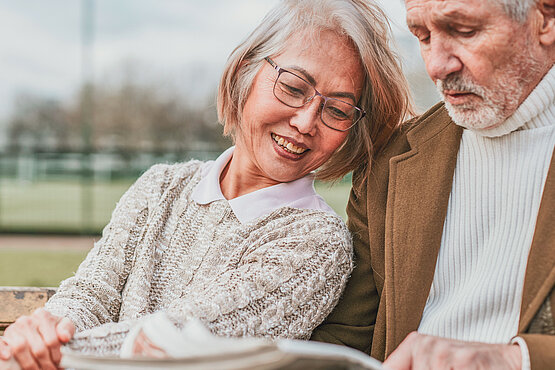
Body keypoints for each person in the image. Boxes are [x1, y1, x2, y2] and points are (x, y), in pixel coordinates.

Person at [0, 0, 413, 369]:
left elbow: (179, 346)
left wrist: (51, 351)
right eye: (292, 88)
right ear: (247, 71)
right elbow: (93, 293)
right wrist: (46, 329)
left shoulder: (318, 242)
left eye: (337, 111)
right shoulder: (160, 185)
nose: (306, 122)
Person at [311, 0, 555, 368]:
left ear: (546, 19)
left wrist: (516, 360)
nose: (436, 66)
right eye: (422, 36)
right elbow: (341, 343)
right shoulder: (387, 163)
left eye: (464, 30)